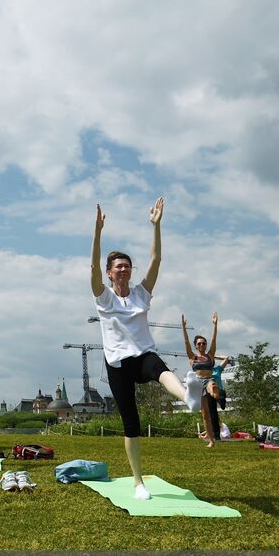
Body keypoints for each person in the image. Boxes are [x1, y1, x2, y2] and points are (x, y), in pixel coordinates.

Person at [89, 199, 189, 499]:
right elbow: (93, 265)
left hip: (143, 355)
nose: (123, 269)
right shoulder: (103, 298)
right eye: (118, 266)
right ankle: (137, 481)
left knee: (160, 368)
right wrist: (97, 233)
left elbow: (156, 261)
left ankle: (188, 397)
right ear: (109, 273)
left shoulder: (141, 295)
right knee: (131, 423)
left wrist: (156, 226)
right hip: (118, 363)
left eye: (127, 266)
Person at [181, 312, 220, 447]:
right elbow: (186, 342)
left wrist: (215, 325)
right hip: (197, 384)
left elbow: (214, 341)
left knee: (212, 386)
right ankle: (211, 440)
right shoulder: (193, 357)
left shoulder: (210, 355)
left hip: (208, 380)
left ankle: (215, 392)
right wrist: (183, 328)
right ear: (196, 346)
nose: (202, 345)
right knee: (205, 415)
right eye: (199, 344)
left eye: (204, 343)